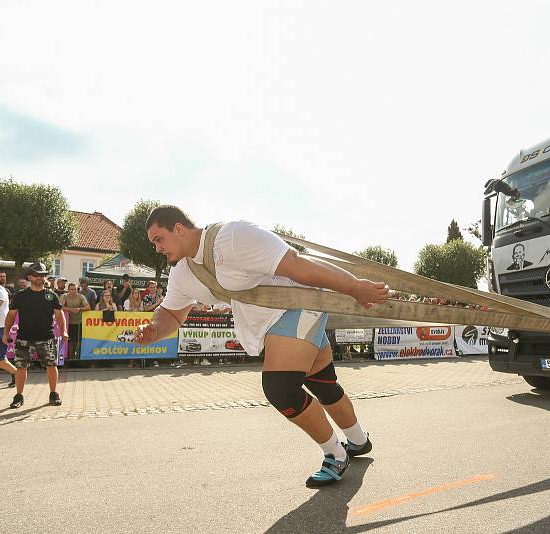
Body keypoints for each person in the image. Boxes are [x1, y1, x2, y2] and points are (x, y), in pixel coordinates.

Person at [136, 206, 387, 488]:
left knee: (280, 387)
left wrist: (353, 287)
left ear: (179, 228)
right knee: (322, 382)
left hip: (298, 306)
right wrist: (154, 330)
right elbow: (171, 314)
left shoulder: (232, 236)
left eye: (159, 239)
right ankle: (358, 440)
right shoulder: (183, 273)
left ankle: (335, 454)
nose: (157, 248)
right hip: (271, 322)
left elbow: (296, 263)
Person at [3, 262, 68, 408]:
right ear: (29, 277)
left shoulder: (51, 296)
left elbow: (60, 315)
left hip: (47, 337)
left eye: (42, 275)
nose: (39, 277)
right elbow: (11, 315)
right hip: (24, 338)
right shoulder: (20, 295)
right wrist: (6, 333)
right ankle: (19, 396)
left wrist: (63, 330)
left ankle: (53, 393)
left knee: (51, 365)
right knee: (21, 367)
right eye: (36, 275)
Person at [59, 282, 91, 359]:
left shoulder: (81, 296)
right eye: (72, 289)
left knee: (78, 341)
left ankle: (77, 357)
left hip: (79, 322)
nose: (73, 291)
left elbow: (88, 307)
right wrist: (71, 309)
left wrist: (79, 309)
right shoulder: (64, 296)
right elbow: (60, 307)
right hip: (67, 322)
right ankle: (69, 358)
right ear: (68, 290)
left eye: (75, 289)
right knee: (70, 341)